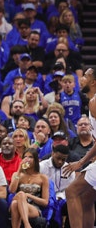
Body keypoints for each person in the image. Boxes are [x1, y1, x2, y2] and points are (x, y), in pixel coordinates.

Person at [64, 67, 96, 228]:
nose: (81, 79)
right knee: (86, 198)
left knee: (72, 191)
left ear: (93, 82)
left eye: (85, 76)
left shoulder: (94, 102)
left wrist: (81, 162)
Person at [9, 148, 50, 228]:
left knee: (16, 201)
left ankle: (26, 224)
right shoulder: (17, 174)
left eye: (30, 157)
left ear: (36, 160)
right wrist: (19, 171)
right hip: (17, 203)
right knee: (16, 202)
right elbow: (12, 190)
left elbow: (45, 202)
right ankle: (27, 224)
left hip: (33, 208)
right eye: (25, 157)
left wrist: (28, 195)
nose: (27, 159)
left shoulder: (42, 177)